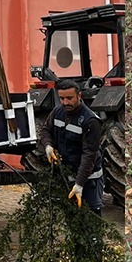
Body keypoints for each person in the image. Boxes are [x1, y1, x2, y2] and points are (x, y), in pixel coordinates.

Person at [38, 79, 104, 214]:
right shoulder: (58, 112)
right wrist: (48, 146)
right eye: (61, 98)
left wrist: (79, 185)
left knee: (90, 221)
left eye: (69, 98)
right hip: (68, 176)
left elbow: (89, 155)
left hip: (89, 180)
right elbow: (45, 130)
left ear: (79, 96)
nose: (65, 102)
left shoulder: (90, 121)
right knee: (72, 218)